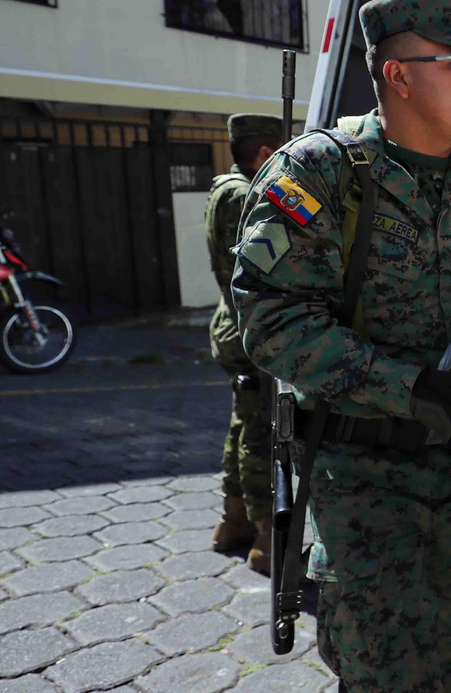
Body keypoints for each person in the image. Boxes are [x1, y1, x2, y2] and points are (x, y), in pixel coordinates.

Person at [232, 0, 451, 692]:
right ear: (398, 75)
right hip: (363, 488)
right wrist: (408, 388)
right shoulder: (320, 173)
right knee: (383, 672)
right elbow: (272, 323)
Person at [206, 113, 287, 574]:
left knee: (243, 421)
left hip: (229, 325)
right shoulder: (246, 196)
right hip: (250, 329)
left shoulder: (223, 187)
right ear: (263, 153)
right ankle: (266, 539)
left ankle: (231, 521)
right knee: (262, 432)